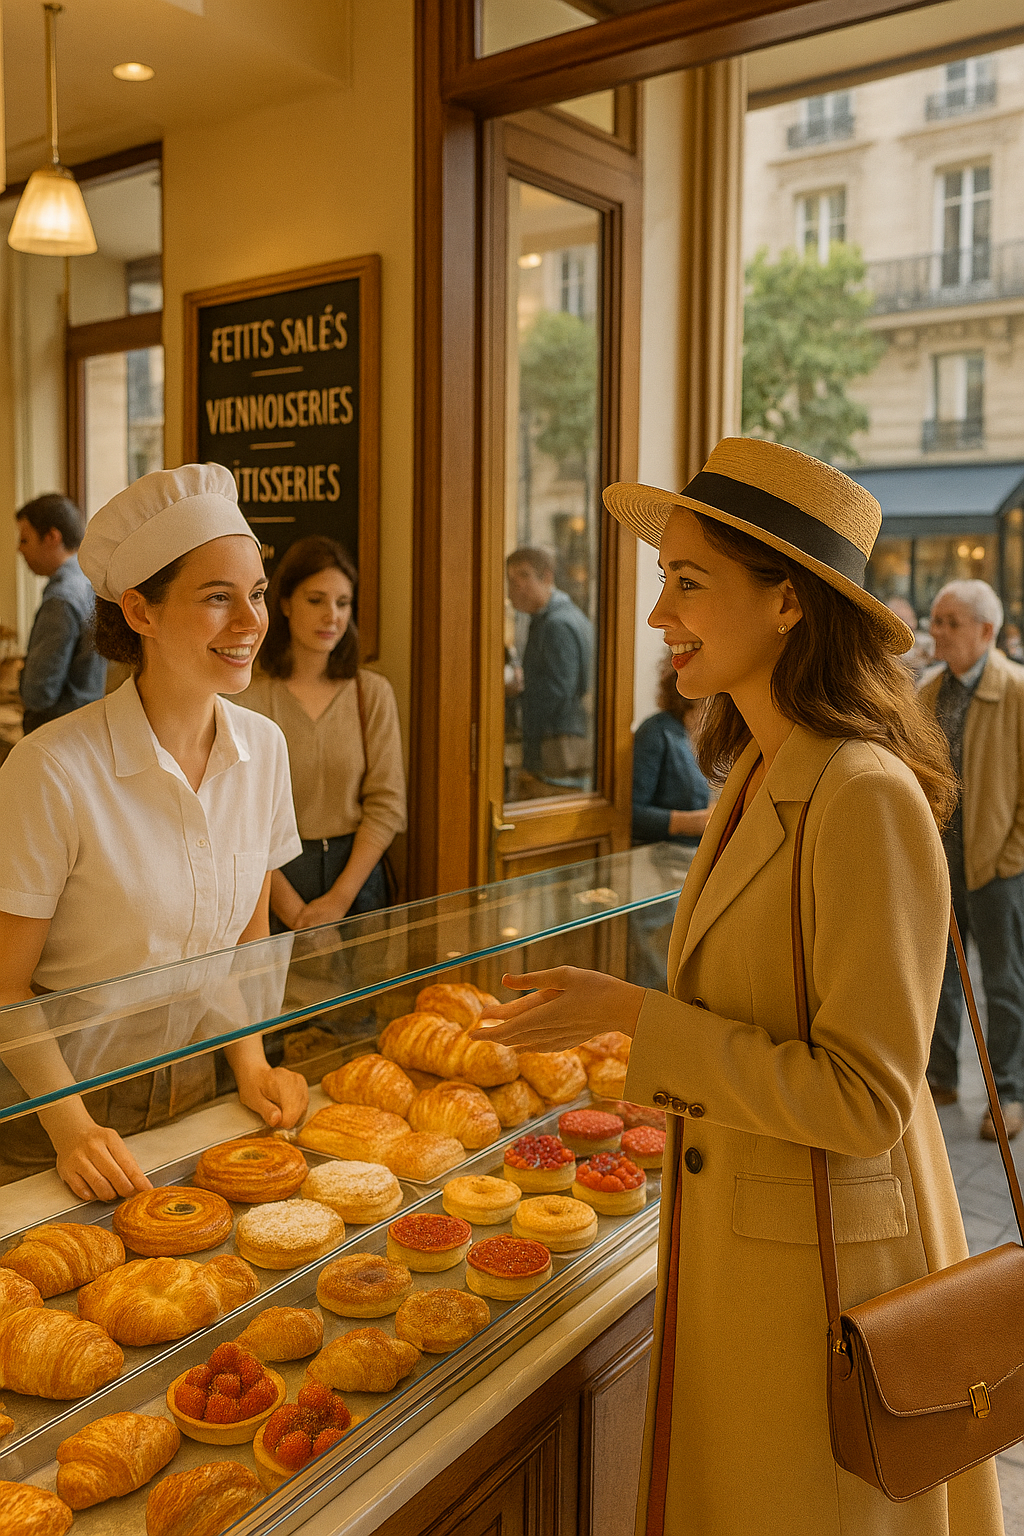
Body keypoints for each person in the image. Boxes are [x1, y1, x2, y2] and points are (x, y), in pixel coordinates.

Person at [475, 439, 1001, 1535]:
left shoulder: (861, 793)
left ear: (787, 604)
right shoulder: (761, 766)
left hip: (824, 1282)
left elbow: (866, 1098)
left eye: (687, 581)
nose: (659, 614)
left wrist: (633, 1020)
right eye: (664, 580)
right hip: (758, 1260)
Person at [0, 465, 308, 1202]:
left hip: (200, 1090)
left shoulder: (263, 749)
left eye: (257, 595)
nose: (251, 622)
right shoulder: (52, 768)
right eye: (216, 598)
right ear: (139, 611)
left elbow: (247, 940)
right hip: (57, 1116)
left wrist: (252, 1064)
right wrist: (72, 1126)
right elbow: (7, 984)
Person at [237, 536, 406, 932]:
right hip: (273, 876)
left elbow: (386, 804)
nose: (331, 615)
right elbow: (240, 814)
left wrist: (340, 898)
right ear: (284, 604)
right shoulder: (247, 697)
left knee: (366, 994)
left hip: (358, 874)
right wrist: (293, 911)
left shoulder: (372, 692)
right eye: (316, 600)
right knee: (279, 994)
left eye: (343, 603)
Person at [920, 579, 1024, 1141]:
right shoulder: (928, 693)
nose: (937, 632)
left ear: (987, 631)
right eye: (936, 620)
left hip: (1000, 869)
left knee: (1005, 984)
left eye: (951, 622)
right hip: (942, 865)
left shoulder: (1017, 691)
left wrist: (1011, 857)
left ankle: (1008, 1094)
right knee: (940, 977)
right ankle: (941, 1076)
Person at [15, 492, 106, 733]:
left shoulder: (61, 599)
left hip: (56, 734)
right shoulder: (92, 583)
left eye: (25, 540)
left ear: (52, 537)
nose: (19, 550)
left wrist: (21, 675)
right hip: (89, 726)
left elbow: (39, 693)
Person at [506, 546, 593, 789]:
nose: (515, 587)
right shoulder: (555, 617)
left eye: (523, 576)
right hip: (558, 738)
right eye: (511, 579)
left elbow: (559, 690)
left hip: (557, 743)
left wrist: (518, 691)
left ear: (546, 577)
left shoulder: (557, 623)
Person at [632, 658, 712, 846]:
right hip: (660, 858)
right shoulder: (655, 732)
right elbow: (631, 813)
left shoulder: (701, 732)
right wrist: (697, 823)